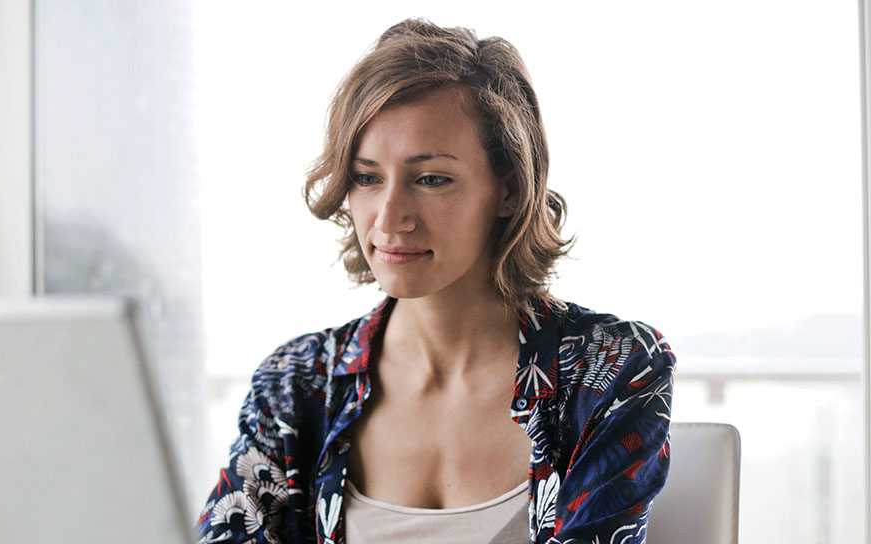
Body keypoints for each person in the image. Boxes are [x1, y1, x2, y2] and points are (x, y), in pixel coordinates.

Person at [196, 18, 675, 544]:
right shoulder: (296, 386)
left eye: (431, 180)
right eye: (366, 177)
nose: (389, 217)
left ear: (510, 190)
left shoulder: (609, 370)